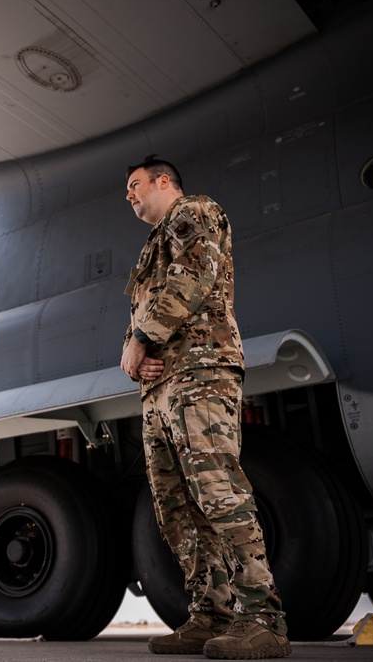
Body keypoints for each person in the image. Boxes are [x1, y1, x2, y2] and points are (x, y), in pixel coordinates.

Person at [120, 156, 290, 659]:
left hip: (201, 373)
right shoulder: (153, 243)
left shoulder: (195, 211)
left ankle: (262, 617)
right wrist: (138, 357)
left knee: (218, 492)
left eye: (135, 186)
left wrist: (142, 338)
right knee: (177, 509)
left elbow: (193, 277)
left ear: (164, 181)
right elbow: (151, 308)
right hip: (162, 386)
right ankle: (210, 613)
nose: (129, 196)